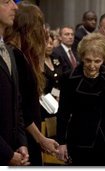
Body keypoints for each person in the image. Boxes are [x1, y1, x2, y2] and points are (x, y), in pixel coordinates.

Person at [56, 32, 105, 166]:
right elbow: (63, 113)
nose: (92, 65)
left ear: (104, 59)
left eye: (97, 61)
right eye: (88, 60)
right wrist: (61, 142)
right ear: (82, 57)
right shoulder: (69, 78)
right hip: (79, 140)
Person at [4, 1, 59, 165]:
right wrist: (40, 138)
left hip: (27, 136)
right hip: (23, 139)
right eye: (40, 24)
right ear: (30, 27)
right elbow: (21, 109)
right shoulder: (16, 56)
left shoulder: (23, 54)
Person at [0, 0, 30, 166]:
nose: (15, 6)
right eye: (6, 1)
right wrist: (7, 154)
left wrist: (21, 142)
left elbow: (16, 103)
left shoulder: (9, 51)